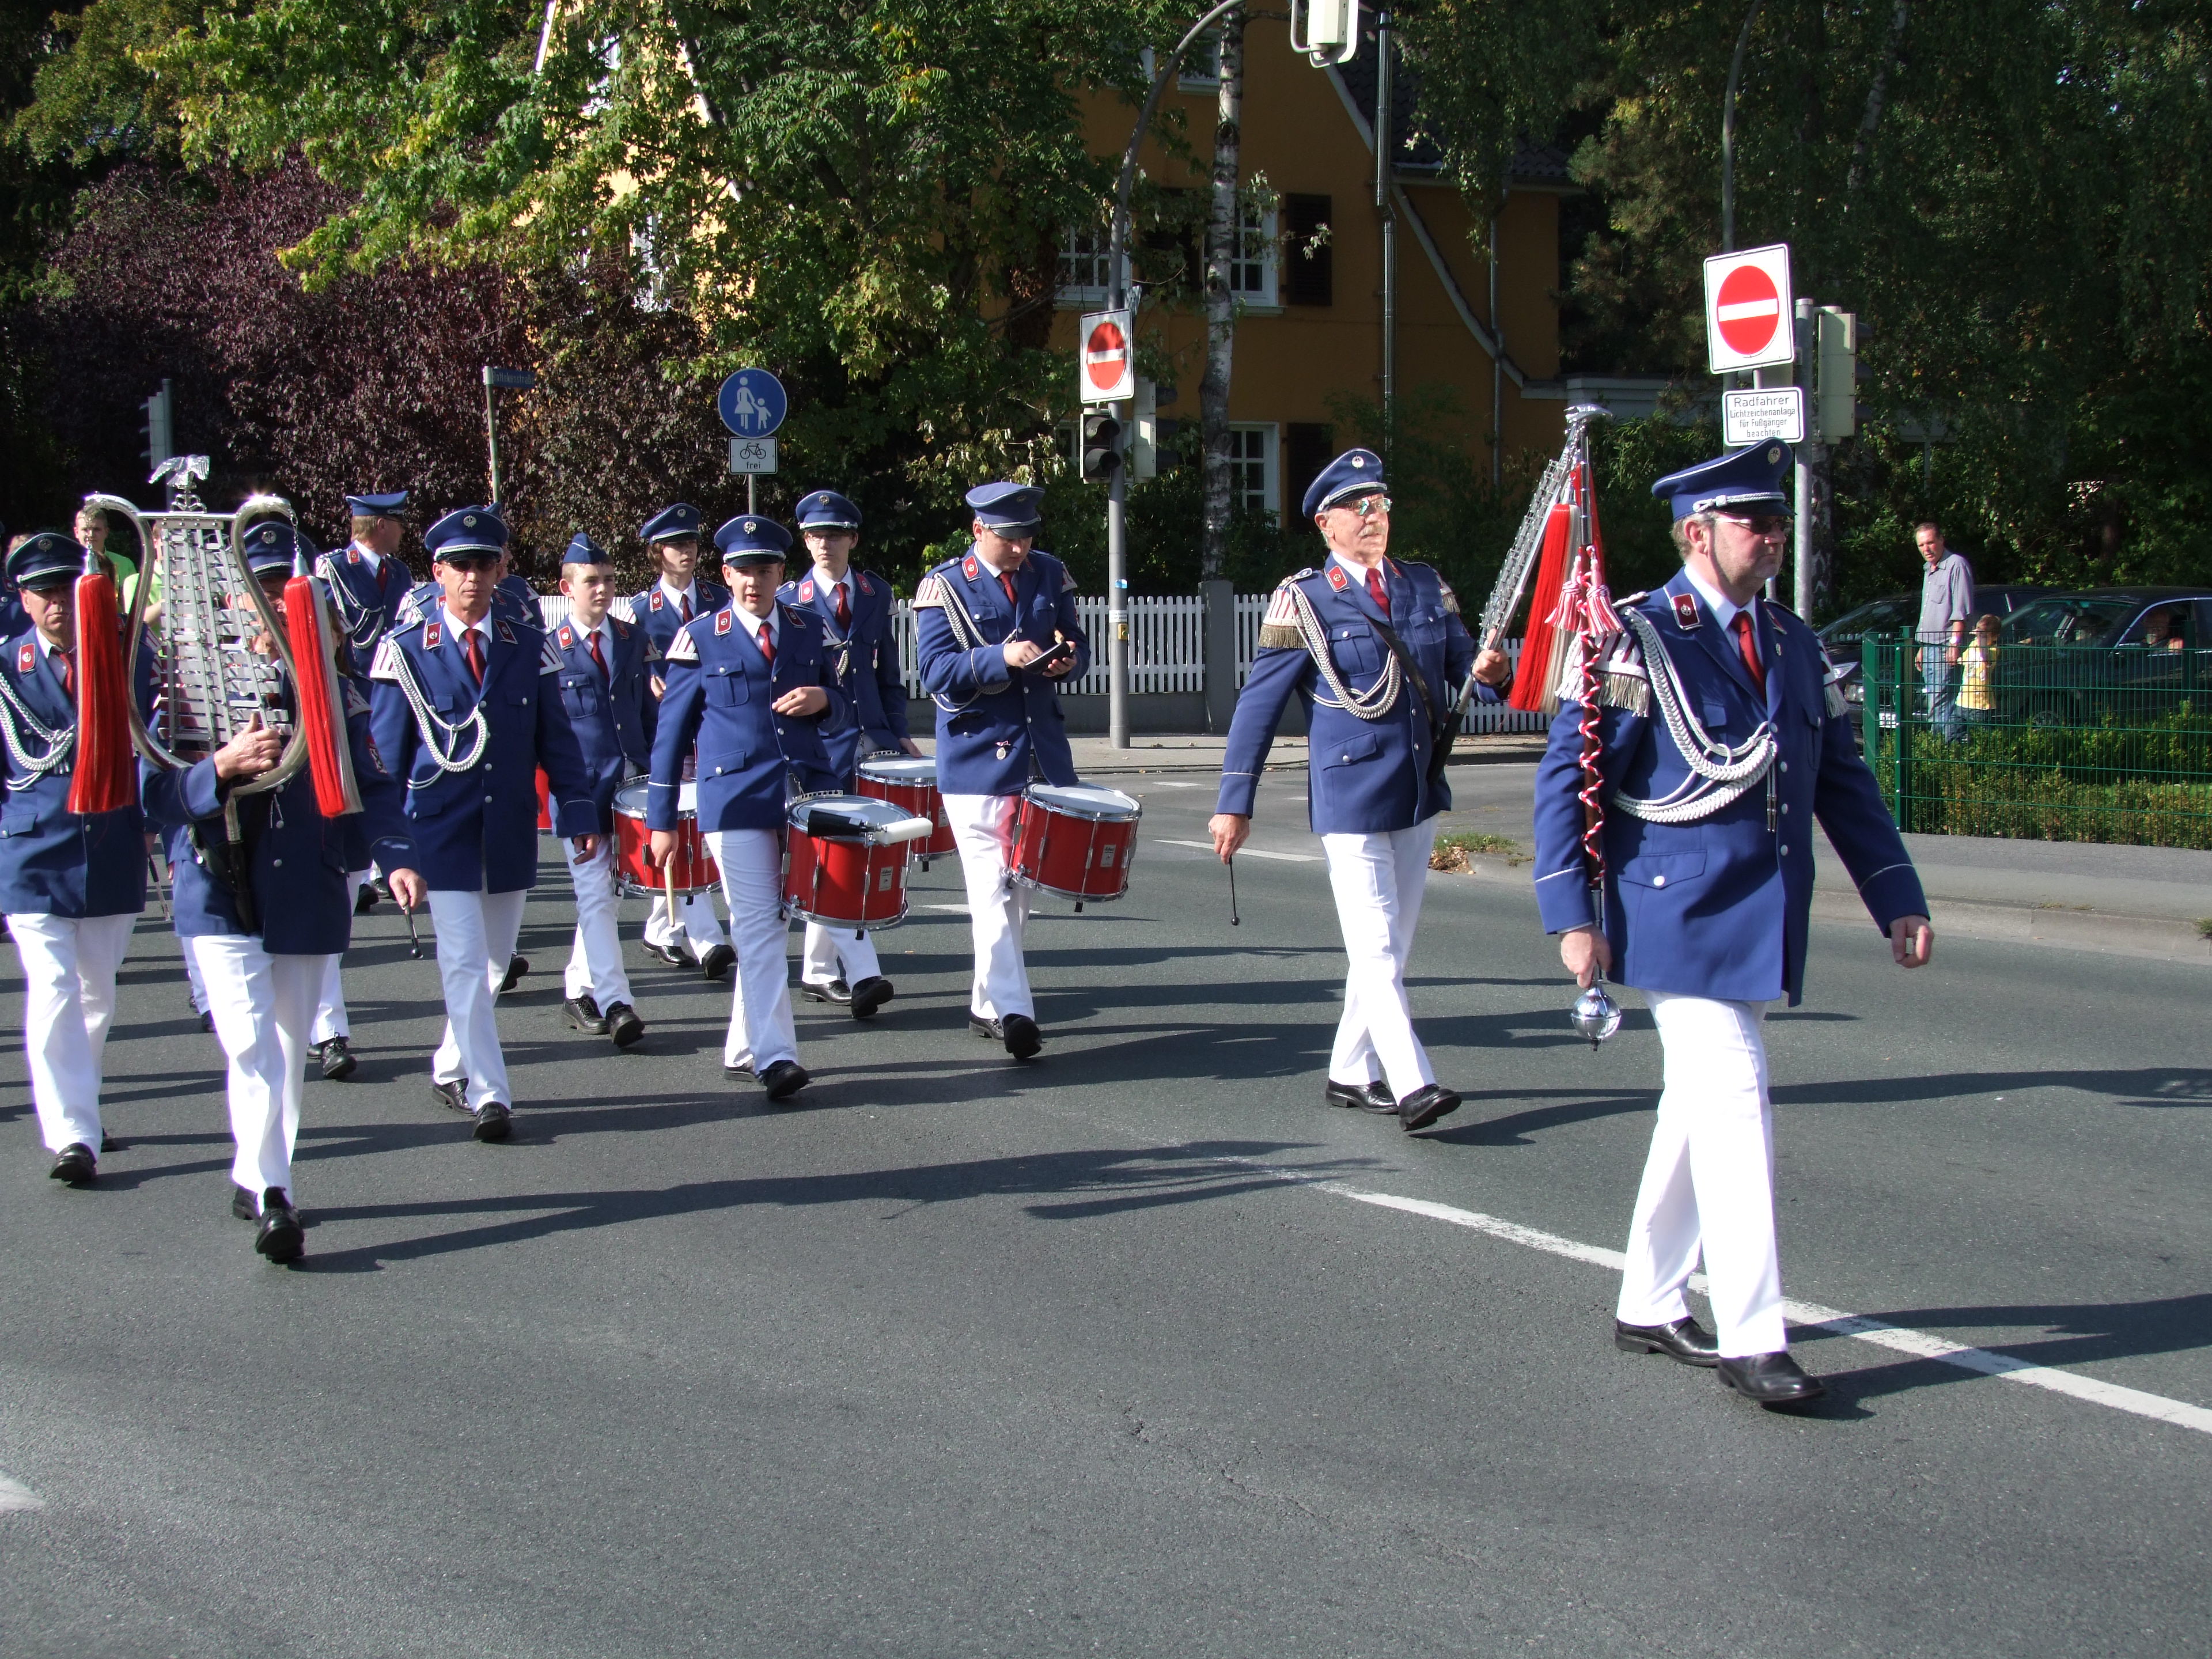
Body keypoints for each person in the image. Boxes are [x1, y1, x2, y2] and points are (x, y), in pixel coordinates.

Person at [1532, 440, 1934, 1410]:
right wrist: (1571, 915)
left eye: (1777, 520)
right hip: (1672, 912)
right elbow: (1569, 780)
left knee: (1697, 1108)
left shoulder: (1793, 642)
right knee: (1738, 1095)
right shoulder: (1638, 639)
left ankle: (1649, 1299)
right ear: (1695, 534)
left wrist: (1897, 894)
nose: (1771, 536)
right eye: (1753, 522)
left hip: (1762, 915)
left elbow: (1842, 782)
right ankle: (1755, 1335)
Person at [142, 520, 426, 1262]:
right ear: (233, 599)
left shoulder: (335, 692)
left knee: (288, 1049)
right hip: (219, 886)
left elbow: (376, 786)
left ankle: (258, 1169)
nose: (270, 602)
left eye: (282, 587)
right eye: (256, 588)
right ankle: (275, 1193)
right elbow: (153, 794)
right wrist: (219, 768)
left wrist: (395, 856)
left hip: (306, 883)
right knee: (250, 1044)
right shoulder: (187, 686)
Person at [1208, 448, 1511, 1130]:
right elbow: (1259, 706)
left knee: (1391, 948)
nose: (1374, 517)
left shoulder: (1423, 585)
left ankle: (1349, 1070)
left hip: (1416, 788)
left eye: (1381, 505)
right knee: (1375, 947)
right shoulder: (1305, 600)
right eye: (1358, 507)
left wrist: (1493, 671)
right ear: (1326, 524)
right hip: (1350, 795)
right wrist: (1234, 801)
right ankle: (1413, 1083)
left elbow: (1466, 666)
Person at [368, 505, 602, 1142]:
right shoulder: (405, 651)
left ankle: (450, 1066)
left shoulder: (528, 646)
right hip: (438, 830)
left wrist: (578, 809)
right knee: (466, 965)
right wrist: (391, 851)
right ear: (438, 572)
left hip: (506, 829)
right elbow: (384, 760)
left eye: (484, 563)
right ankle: (488, 1091)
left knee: (494, 964)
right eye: (460, 565)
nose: (472, 576)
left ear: (501, 570)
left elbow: (557, 741)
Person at [646, 514, 848, 1101]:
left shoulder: (808, 628)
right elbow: (669, 737)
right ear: (726, 574)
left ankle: (743, 1047)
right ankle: (776, 1056)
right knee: (758, 926)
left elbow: (845, 707)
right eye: (742, 570)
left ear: (782, 573)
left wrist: (823, 699)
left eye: (764, 569)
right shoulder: (700, 637)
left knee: (775, 924)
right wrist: (661, 821)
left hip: (802, 792)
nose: (753, 581)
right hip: (733, 799)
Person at [910, 482, 1087, 1060]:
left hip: (1039, 754)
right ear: (979, 530)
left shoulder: (1049, 572)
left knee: (1016, 895)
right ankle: (1015, 1012)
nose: (1021, 548)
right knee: (990, 890)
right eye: (1010, 538)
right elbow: (935, 671)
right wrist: (1000, 657)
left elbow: (1074, 640)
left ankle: (987, 1003)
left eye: (1028, 535)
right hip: (976, 757)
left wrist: (1067, 660)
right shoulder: (944, 586)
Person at [0, 532, 153, 1185]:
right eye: (44, 592)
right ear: (23, 600)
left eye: (67, 588)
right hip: (33, 850)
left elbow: (155, 742)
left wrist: (152, 825)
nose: (57, 602)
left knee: (96, 994)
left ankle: (81, 1107)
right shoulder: (5, 668)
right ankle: (71, 1133)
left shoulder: (125, 656)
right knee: (55, 987)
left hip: (111, 843)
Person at [779, 487, 913, 1017]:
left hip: (870, 739)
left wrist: (898, 731)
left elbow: (888, 673)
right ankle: (863, 971)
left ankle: (818, 969)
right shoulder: (789, 600)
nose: (824, 544)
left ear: (852, 539)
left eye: (834, 535)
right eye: (815, 535)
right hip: (817, 744)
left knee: (850, 850)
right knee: (835, 852)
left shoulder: (875, 593)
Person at [307, 489, 416, 1077]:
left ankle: (328, 1029)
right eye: (397, 521)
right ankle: (320, 1027)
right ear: (377, 524)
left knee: (331, 923)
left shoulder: (397, 573)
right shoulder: (329, 569)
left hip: (373, 698)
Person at [548, 532, 653, 1049]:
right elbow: (548, 735)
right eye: (591, 581)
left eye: (609, 580)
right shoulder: (550, 650)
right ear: (566, 588)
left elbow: (649, 716)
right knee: (594, 893)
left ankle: (578, 987)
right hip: (581, 792)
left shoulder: (632, 639)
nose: (603, 589)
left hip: (632, 787)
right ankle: (616, 1002)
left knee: (606, 899)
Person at [628, 502, 734, 980]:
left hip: (711, 729)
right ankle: (708, 939)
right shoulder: (639, 611)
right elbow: (627, 677)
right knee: (685, 829)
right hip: (668, 735)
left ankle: (661, 928)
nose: (685, 552)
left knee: (699, 829)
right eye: (675, 546)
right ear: (658, 553)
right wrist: (646, 682)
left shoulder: (718, 598)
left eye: (690, 543)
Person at [1914, 521, 1974, 743]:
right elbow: (1927, 612)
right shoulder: (1928, 570)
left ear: (1941, 540)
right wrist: (1922, 647)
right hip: (1929, 647)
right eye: (1921, 545)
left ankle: (1944, 748)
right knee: (1933, 699)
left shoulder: (1956, 565)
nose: (1926, 549)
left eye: (1930, 542)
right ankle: (1941, 747)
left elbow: (1961, 611)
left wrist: (1955, 645)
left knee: (1942, 701)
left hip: (1945, 647)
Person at [1956, 612, 2000, 727]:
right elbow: (1963, 660)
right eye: (1978, 635)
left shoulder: (1993, 651)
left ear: (1995, 637)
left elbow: (1985, 657)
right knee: (1954, 732)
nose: (1978, 638)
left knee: (1980, 734)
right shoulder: (1973, 645)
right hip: (1963, 701)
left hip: (1980, 705)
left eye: (1984, 636)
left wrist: (1982, 639)